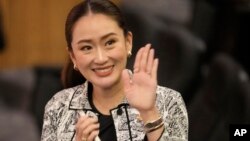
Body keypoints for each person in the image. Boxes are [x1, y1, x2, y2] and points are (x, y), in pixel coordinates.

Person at [41, 0, 188, 141]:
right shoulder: (57, 107)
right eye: (86, 47)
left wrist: (149, 113)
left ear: (128, 42)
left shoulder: (169, 102)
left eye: (110, 42)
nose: (100, 58)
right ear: (73, 56)